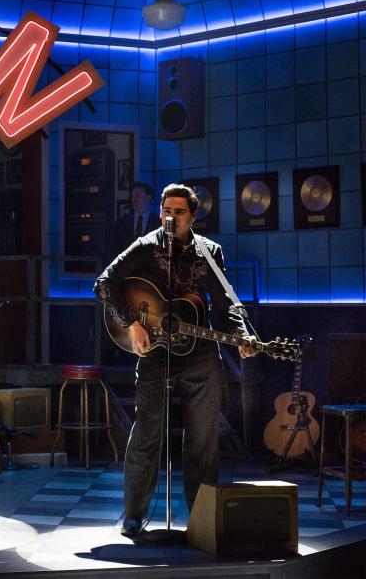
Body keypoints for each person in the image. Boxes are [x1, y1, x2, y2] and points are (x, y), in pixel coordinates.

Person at [94, 184, 258, 538]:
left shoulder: (209, 252)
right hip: (154, 351)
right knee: (147, 435)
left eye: (179, 212)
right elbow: (104, 283)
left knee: (202, 440)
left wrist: (241, 334)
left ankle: (201, 518)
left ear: (193, 216)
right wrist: (131, 324)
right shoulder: (146, 246)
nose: (171, 216)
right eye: (166, 210)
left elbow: (225, 300)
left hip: (199, 354)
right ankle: (133, 515)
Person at [114, 182, 159, 254]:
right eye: (132, 196)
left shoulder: (158, 223)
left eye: (137, 196)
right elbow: (114, 249)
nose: (134, 200)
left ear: (148, 198)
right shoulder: (122, 222)